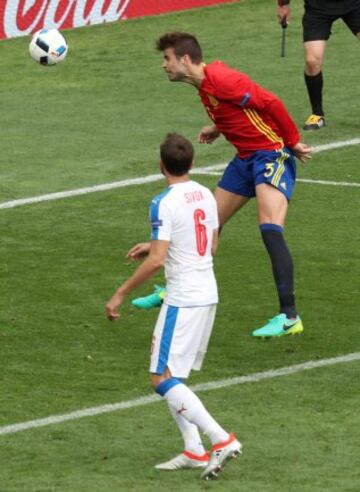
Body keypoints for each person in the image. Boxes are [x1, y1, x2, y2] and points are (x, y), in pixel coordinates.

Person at [133, 32, 312, 338]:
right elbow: (238, 109)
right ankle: (174, 289)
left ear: (185, 60)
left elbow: (270, 102)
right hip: (245, 159)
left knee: (269, 227)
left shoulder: (224, 79)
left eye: (167, 58)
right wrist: (218, 127)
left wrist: (293, 142)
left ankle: (289, 316)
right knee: (207, 224)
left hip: (270, 154)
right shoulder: (203, 84)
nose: (164, 65)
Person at [106, 133, 242, 480]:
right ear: (192, 163)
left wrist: (120, 293)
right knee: (174, 375)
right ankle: (194, 451)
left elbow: (157, 262)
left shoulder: (162, 202)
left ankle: (220, 438)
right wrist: (152, 244)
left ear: (160, 166)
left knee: (159, 377)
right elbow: (209, 245)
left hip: (183, 298)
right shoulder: (208, 196)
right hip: (207, 291)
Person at [277, 0, 360, 130]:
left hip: (354, 4)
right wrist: (284, 4)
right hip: (317, 8)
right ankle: (317, 115)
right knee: (312, 61)